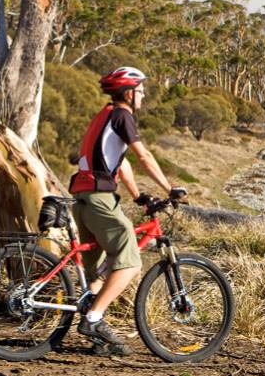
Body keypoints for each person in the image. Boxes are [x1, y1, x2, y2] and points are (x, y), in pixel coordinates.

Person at [68, 66, 185, 355]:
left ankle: (99, 338)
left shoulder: (105, 115)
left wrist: (137, 196)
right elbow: (142, 156)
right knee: (131, 262)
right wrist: (169, 187)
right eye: (140, 90)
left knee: (99, 272)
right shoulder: (123, 115)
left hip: (83, 197)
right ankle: (94, 319)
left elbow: (120, 162)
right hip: (99, 198)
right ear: (129, 93)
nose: (143, 95)